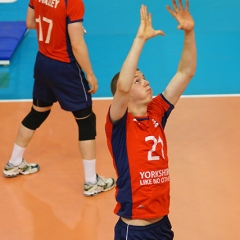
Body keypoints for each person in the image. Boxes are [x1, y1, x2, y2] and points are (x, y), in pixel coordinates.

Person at [3, 0, 114, 197]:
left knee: (38, 112)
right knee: (87, 120)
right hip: (64, 67)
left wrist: (61, 28)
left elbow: (30, 22)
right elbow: (77, 45)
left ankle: (14, 162)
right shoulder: (72, 2)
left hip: (43, 62)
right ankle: (91, 182)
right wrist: (89, 73)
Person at [105, 0, 196, 239]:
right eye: (138, 80)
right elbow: (122, 88)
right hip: (134, 231)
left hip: (162, 226)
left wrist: (189, 32)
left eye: (143, 77)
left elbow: (185, 72)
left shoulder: (156, 112)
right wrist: (140, 40)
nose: (145, 81)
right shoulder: (119, 124)